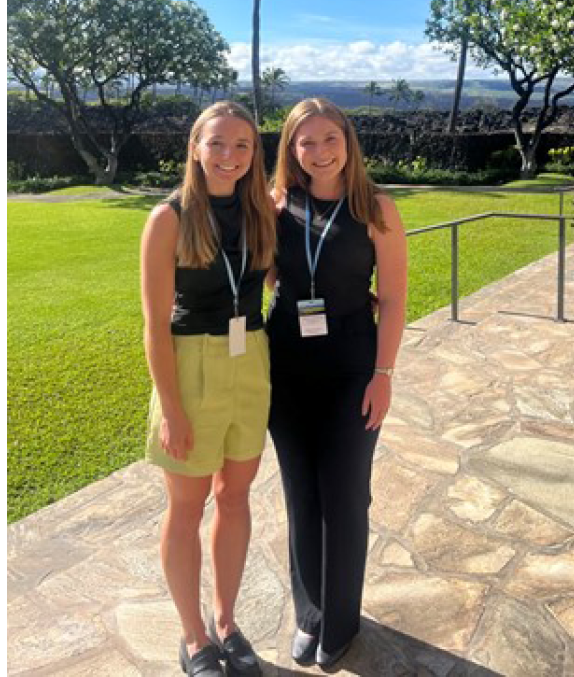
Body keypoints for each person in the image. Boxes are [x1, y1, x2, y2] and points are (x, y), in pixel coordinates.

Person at [266, 98, 408, 668]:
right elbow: (269, 274)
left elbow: (394, 300)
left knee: (345, 495)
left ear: (348, 142)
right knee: (301, 494)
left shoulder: (376, 208)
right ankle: (312, 614)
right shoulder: (277, 205)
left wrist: (384, 375)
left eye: (330, 139)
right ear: (291, 149)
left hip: (353, 367)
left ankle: (341, 623)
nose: (319, 152)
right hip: (286, 368)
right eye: (306, 142)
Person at [140, 101, 276, 677]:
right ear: (195, 146)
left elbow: (280, 275)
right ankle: (193, 637)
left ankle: (226, 622)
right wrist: (170, 407)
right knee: (187, 503)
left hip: (252, 361)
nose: (229, 156)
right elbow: (153, 324)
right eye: (217, 143)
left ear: (254, 155)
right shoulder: (168, 218)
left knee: (236, 497)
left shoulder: (259, 212)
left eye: (242, 146)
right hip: (191, 366)